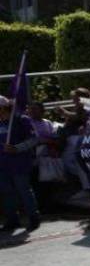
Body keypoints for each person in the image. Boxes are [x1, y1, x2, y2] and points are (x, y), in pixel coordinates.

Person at [0, 96, 40, 233]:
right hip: (2, 164)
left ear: (3, 108)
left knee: (24, 190)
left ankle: (33, 217)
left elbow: (34, 139)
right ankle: (12, 220)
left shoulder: (22, 120)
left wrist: (17, 148)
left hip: (19, 163)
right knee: (6, 193)